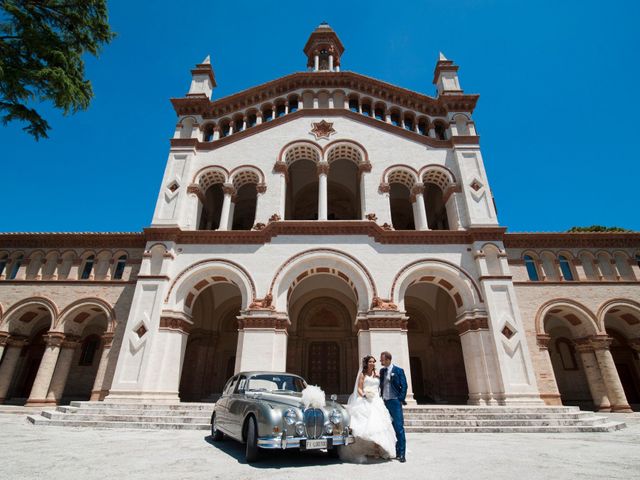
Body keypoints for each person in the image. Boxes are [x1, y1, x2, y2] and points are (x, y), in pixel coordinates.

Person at [340, 355, 397, 463]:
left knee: (379, 425)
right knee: (367, 426)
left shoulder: (377, 374)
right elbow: (359, 389)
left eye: (374, 362)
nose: (372, 363)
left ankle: (378, 448)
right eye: (370, 361)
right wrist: (365, 396)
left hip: (377, 401)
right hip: (365, 400)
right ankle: (371, 449)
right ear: (366, 363)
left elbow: (384, 385)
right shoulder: (363, 374)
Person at [379, 351, 407, 463]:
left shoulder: (398, 370)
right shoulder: (382, 371)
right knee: (389, 428)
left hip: (395, 402)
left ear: (388, 360)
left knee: (399, 428)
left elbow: (404, 385)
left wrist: (400, 398)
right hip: (385, 402)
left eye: (382, 360)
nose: (381, 361)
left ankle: (402, 454)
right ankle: (394, 451)